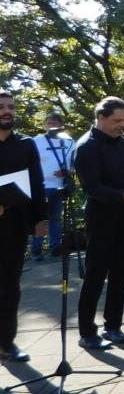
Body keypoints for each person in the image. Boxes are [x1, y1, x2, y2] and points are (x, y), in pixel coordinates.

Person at [74, 96, 124, 349]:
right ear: (101, 118)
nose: (122, 125)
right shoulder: (87, 146)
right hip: (101, 219)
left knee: (121, 274)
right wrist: (122, 196)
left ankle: (113, 326)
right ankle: (86, 332)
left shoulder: (122, 143)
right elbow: (92, 187)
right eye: (117, 120)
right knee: (95, 276)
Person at [0, 90, 47, 361]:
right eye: (1, 107)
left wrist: (40, 219)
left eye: (11, 106)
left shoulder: (26, 144)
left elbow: (37, 183)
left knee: (10, 285)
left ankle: (7, 342)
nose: (7, 111)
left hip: (14, 225)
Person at [31, 113, 73, 262]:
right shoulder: (36, 141)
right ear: (45, 125)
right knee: (40, 218)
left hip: (60, 186)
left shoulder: (69, 141)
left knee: (56, 218)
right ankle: (36, 250)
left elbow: (74, 163)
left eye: (55, 123)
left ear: (61, 125)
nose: (52, 126)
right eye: (49, 123)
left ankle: (55, 247)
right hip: (41, 186)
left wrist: (68, 171)